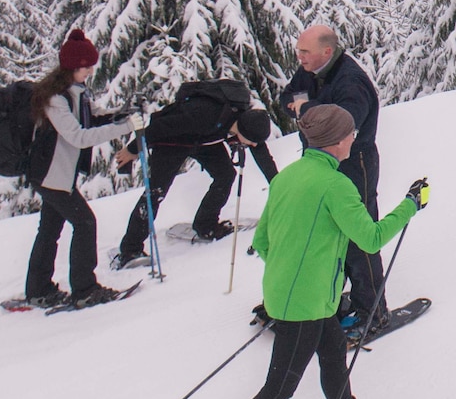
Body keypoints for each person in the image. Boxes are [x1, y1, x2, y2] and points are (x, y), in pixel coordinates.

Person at [178, 104, 429, 399]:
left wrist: (298, 270)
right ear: (336, 140)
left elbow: (262, 241)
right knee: (276, 393)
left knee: (333, 357)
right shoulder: (336, 184)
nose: (354, 140)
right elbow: (369, 240)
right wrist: (410, 205)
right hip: (306, 307)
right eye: (350, 134)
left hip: (296, 298)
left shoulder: (288, 177)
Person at [282, 24, 390, 340]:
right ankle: (331, 295)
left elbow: (344, 125)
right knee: (326, 229)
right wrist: (302, 106)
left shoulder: (350, 81)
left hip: (354, 163)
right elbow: (286, 97)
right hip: (319, 162)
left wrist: (305, 109)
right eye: (299, 50)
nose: (299, 57)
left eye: (305, 52)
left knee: (358, 236)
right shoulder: (311, 71)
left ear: (326, 52)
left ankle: (372, 311)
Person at [22, 30, 143, 308]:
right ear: (72, 66)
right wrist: (123, 127)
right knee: (84, 223)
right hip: (50, 175)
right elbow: (78, 135)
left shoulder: (76, 94)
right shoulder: (55, 99)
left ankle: (38, 289)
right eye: (86, 66)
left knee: (50, 229)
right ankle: (85, 290)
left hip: (58, 175)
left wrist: (120, 113)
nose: (91, 70)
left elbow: (94, 116)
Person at [110, 106, 278, 270]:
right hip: (173, 141)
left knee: (225, 175)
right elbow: (158, 128)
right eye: (252, 142)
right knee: (156, 192)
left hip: (203, 140)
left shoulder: (246, 123)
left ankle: (206, 226)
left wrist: (279, 185)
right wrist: (132, 149)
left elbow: (263, 157)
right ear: (243, 132)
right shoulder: (206, 115)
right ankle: (130, 250)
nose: (254, 146)